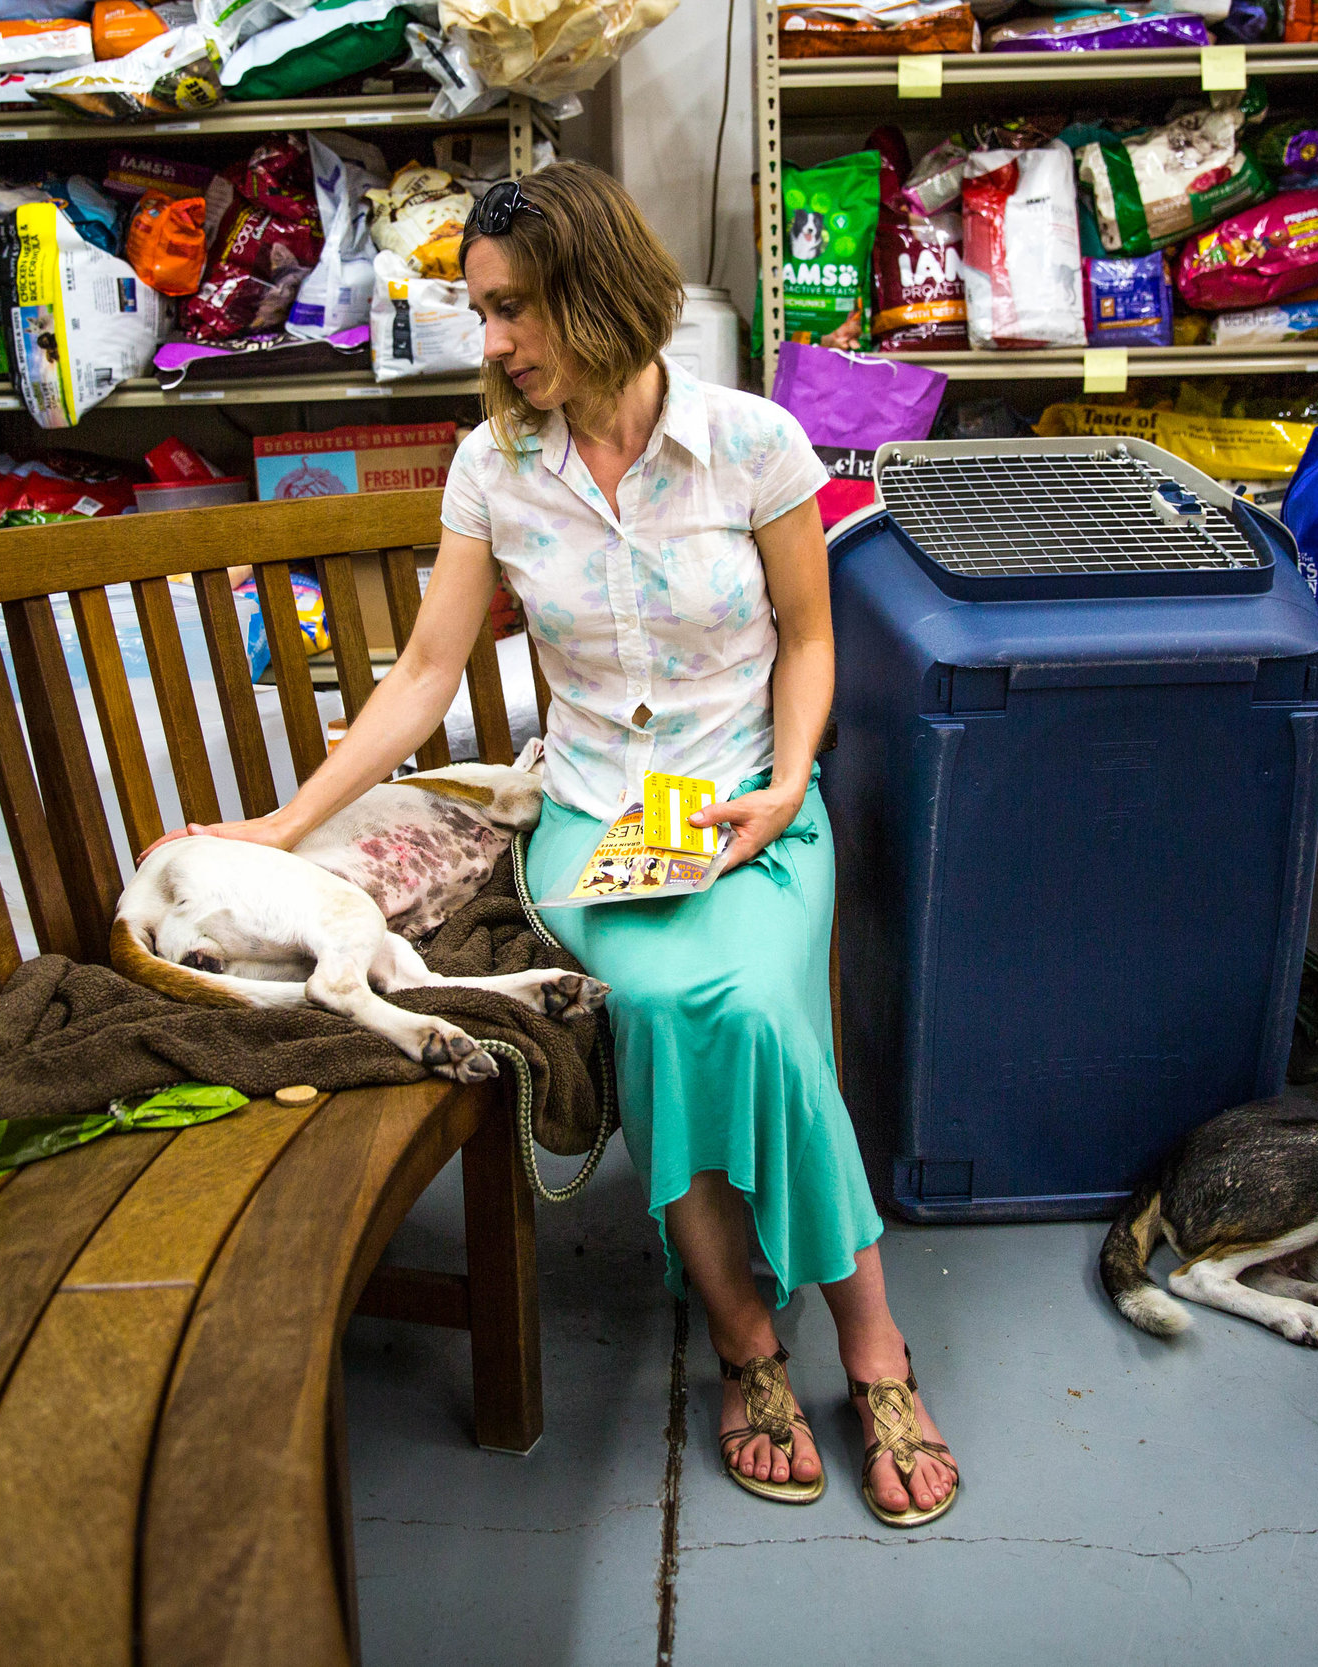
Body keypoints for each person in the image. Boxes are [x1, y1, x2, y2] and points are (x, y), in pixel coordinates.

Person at [158, 163, 956, 1527]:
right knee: (660, 1000)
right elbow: (423, 672)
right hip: (597, 825)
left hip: (749, 807)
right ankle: (750, 1340)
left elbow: (812, 640)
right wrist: (284, 825)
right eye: (484, 314)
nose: (499, 344)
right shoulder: (495, 469)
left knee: (752, 1002)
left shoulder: (756, 443)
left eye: (516, 309)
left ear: (601, 289)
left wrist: (789, 780)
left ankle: (870, 1347)